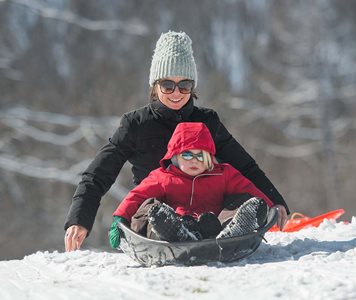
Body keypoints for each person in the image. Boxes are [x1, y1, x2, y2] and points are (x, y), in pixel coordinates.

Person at [64, 31, 289, 251]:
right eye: (167, 85)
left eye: (184, 86)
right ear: (155, 85)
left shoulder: (206, 121)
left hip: (207, 215)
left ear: (193, 87)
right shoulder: (136, 124)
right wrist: (79, 219)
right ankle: (172, 232)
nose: (176, 93)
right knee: (150, 211)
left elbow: (244, 167)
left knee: (238, 201)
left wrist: (275, 202)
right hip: (157, 213)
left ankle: (232, 231)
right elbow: (98, 175)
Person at [108, 122, 275, 248]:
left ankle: (233, 231)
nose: (194, 160)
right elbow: (137, 195)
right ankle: (173, 233)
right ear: (176, 156)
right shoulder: (163, 176)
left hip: (215, 227)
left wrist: (269, 207)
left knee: (243, 200)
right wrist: (120, 218)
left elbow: (250, 191)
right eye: (187, 155)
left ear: (209, 158)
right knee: (149, 207)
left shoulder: (223, 174)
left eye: (200, 156)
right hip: (175, 226)